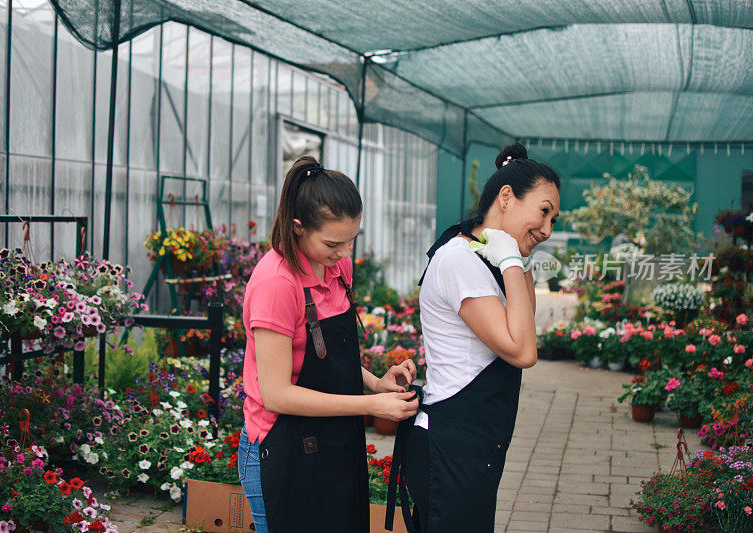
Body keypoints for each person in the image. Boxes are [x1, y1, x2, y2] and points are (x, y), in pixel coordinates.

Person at [239, 155, 419, 533]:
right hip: (282, 448)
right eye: (334, 243)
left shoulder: (337, 267)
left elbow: (325, 359)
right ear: (298, 227)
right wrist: (371, 405)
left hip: (334, 440)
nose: (345, 253)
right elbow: (276, 394)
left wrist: (375, 383)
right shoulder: (277, 284)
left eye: (352, 239)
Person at [386, 143, 561, 533]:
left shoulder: (489, 256)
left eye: (554, 220)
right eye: (543, 211)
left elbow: (524, 322)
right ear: (506, 197)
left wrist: (520, 259)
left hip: (476, 444)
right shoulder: (459, 259)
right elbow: (523, 350)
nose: (548, 229)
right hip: (451, 444)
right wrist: (514, 259)